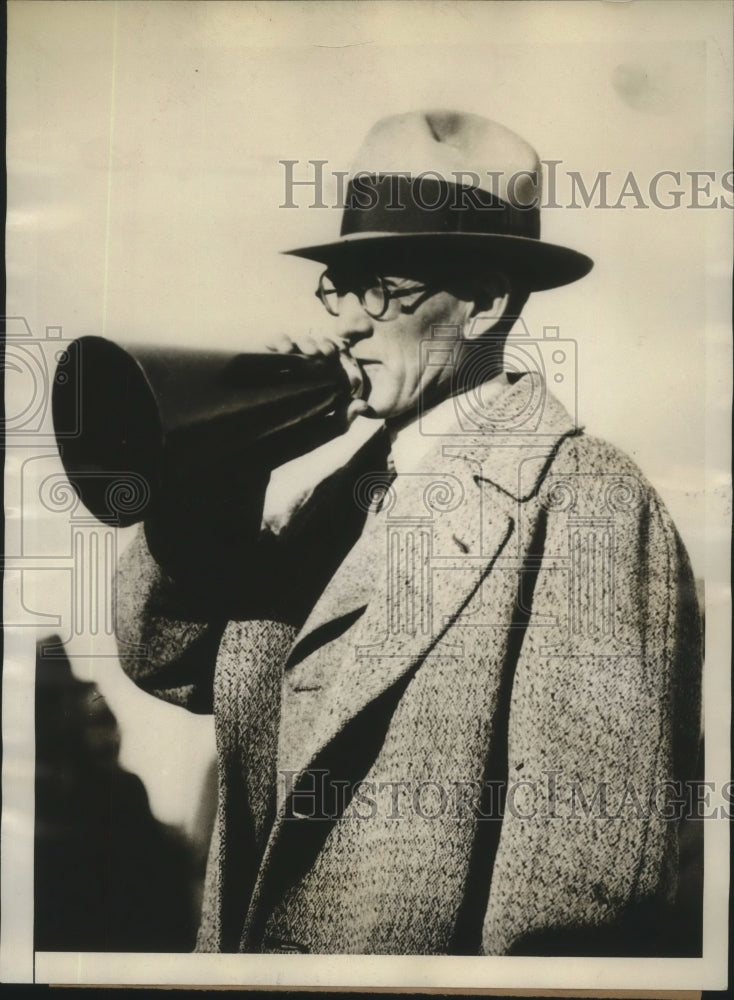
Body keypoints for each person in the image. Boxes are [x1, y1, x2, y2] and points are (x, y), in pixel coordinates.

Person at [115, 111, 703, 955]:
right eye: (340, 283)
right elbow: (166, 662)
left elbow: (581, 885)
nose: (350, 319)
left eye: (383, 286)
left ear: (487, 302)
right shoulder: (333, 496)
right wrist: (224, 467)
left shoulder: (589, 502)